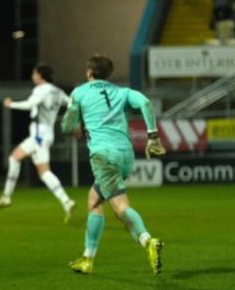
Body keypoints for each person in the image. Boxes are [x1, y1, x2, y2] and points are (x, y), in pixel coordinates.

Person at [60, 55, 166, 275]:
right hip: (126, 156)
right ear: (109, 75)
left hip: (103, 156)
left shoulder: (79, 92)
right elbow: (145, 103)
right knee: (94, 199)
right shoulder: (122, 92)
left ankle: (148, 240)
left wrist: (76, 125)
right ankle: (88, 258)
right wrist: (153, 136)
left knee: (120, 207)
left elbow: (67, 126)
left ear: (89, 73)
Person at [0, 63, 76, 221]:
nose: (32, 76)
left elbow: (30, 104)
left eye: (34, 73)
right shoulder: (58, 91)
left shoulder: (40, 90)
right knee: (14, 157)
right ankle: (6, 197)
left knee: (44, 172)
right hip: (45, 133)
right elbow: (71, 103)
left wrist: (11, 104)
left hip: (39, 134)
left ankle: (67, 201)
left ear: (40, 75)